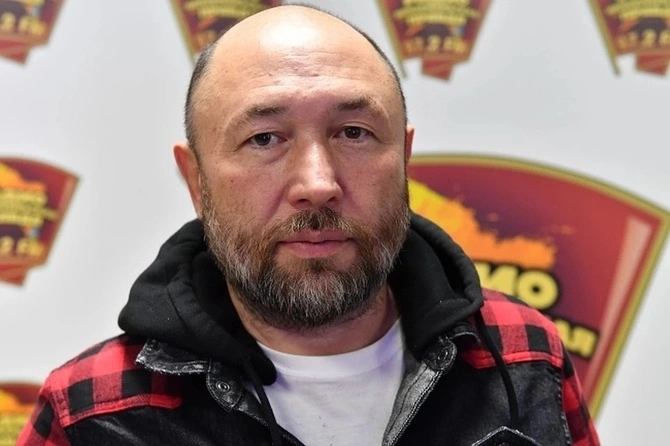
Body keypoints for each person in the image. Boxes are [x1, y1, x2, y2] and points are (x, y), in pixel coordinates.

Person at [19, 5, 599, 446]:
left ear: (403, 160)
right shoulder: (93, 413)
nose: (317, 183)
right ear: (196, 180)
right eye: (264, 139)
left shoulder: (524, 355)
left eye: (354, 133)